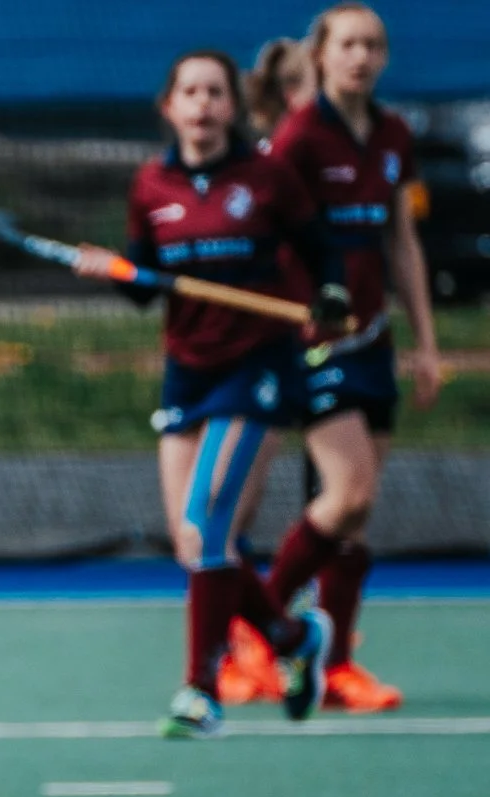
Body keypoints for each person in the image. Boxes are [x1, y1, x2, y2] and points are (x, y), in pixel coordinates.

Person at [74, 51, 339, 738]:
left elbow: (322, 253)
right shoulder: (151, 184)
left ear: (232, 105)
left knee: (208, 522)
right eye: (190, 91)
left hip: (257, 365)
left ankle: (201, 690)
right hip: (187, 370)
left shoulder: (267, 178)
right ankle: (289, 637)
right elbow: (146, 285)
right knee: (196, 544)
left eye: (215, 91)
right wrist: (114, 271)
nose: (202, 103)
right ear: (169, 105)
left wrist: (328, 299)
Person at [258, 3, 441, 712]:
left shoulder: (394, 134)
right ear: (322, 55)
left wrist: (425, 343)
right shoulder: (300, 135)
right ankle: (260, 621)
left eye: (372, 45)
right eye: (347, 45)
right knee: (348, 494)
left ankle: (333, 667)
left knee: (358, 520)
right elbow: (264, 226)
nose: (360, 57)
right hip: (314, 343)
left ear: (384, 57)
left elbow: (402, 242)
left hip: (375, 341)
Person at [219, 35, 321, 705]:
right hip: (258, 353)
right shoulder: (265, 167)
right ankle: (246, 641)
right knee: (231, 510)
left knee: (339, 502)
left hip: (324, 345)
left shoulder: (349, 153)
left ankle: (303, 642)